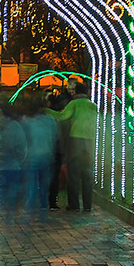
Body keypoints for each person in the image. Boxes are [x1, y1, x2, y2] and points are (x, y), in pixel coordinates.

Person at [46, 83, 98, 211]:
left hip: (76, 140)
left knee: (73, 173)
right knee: (87, 173)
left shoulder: (74, 104)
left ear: (75, 92)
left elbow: (62, 116)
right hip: (90, 141)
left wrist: (46, 111)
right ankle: (87, 205)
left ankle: (74, 205)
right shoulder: (93, 106)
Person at [21, 93, 58, 215]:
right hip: (47, 155)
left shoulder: (27, 122)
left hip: (32, 156)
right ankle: (43, 206)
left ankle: (30, 207)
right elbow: (55, 138)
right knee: (44, 185)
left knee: (31, 185)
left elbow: (24, 140)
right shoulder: (50, 120)